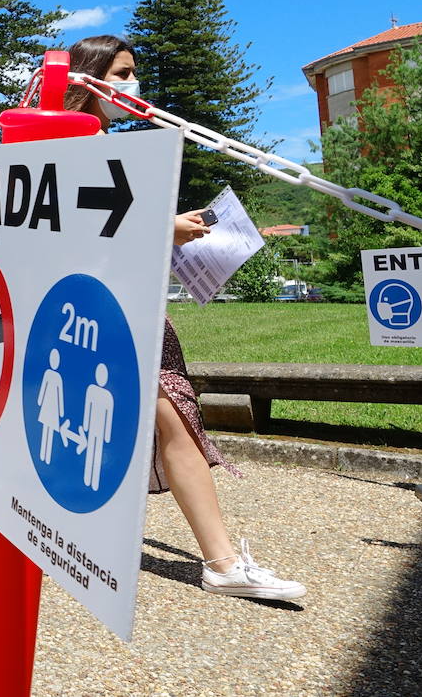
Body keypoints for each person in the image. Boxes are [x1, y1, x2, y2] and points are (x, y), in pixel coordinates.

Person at [65, 34, 305, 600]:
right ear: (89, 77)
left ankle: (215, 559)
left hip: (115, 303)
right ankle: (220, 562)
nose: (130, 84)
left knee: (164, 418)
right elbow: (80, 227)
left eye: (132, 73)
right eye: (120, 73)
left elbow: (99, 223)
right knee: (170, 418)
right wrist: (164, 227)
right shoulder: (82, 139)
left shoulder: (95, 139)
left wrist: (168, 224)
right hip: (111, 310)